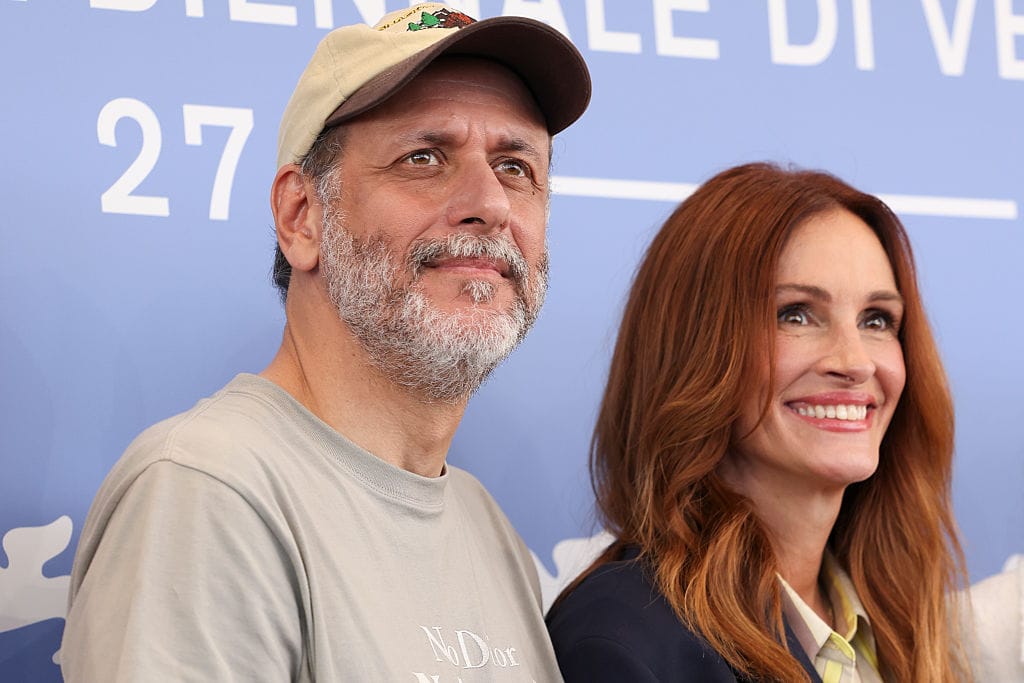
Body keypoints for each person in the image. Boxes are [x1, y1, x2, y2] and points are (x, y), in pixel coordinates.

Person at [61, 4, 590, 681]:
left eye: (516, 166)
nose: (489, 202)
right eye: (423, 157)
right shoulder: (209, 491)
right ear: (300, 216)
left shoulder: (487, 529)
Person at [546, 163, 968, 682]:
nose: (856, 362)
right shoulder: (622, 637)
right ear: (695, 347)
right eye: (796, 313)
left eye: (877, 319)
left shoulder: (901, 626)